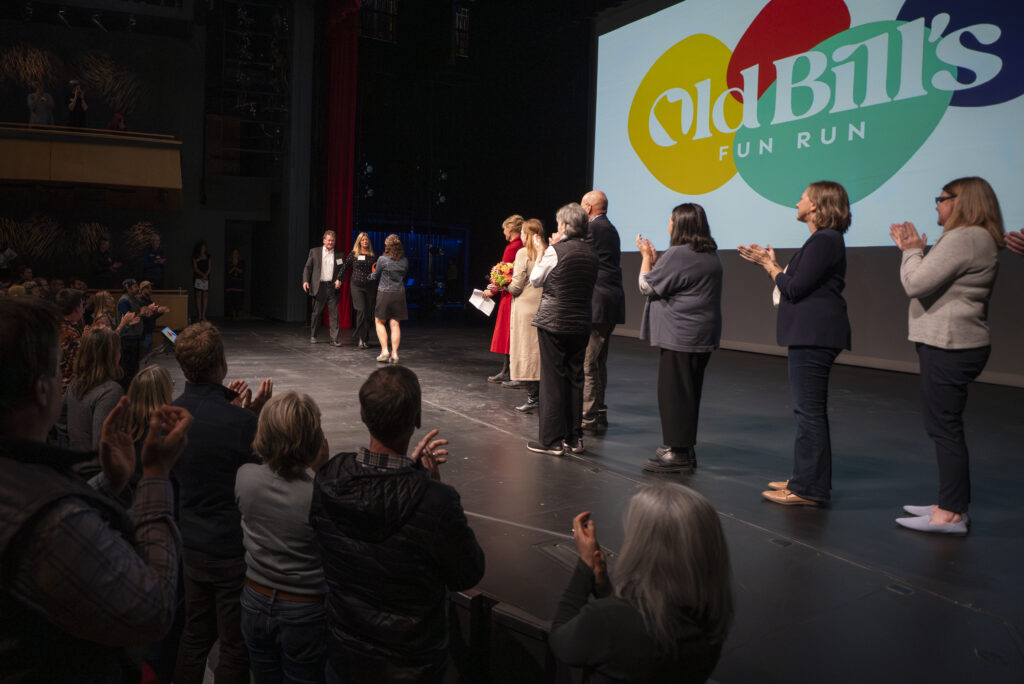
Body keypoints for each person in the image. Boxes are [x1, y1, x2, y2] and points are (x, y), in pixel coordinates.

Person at [0, 296, 192, 683]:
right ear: (41, 389)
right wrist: (154, 474)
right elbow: (153, 610)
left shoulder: (20, 476)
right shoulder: (54, 523)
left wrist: (109, 481)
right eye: (59, 371)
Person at [310, 365, 485, 682]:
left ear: (363, 415)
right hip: (411, 665)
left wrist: (411, 477)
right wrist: (422, 483)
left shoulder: (331, 478)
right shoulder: (436, 502)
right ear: (417, 419)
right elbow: (467, 574)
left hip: (344, 654)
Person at [889, 177, 1004, 535]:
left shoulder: (965, 237)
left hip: (950, 344)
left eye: (942, 198)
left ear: (962, 201)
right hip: (952, 343)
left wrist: (910, 251)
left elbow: (916, 284)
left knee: (944, 428)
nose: (937, 204)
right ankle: (948, 503)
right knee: (943, 426)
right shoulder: (975, 237)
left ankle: (952, 514)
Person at [738, 181, 852, 506]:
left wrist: (769, 265)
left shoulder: (824, 240)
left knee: (809, 412)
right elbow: (796, 283)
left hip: (814, 333)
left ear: (816, 205)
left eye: (802, 198)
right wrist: (774, 267)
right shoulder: (822, 241)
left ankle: (809, 488)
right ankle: (805, 479)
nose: (797, 201)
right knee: (807, 411)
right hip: (812, 332)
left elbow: (795, 288)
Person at [171, 321, 273, 684]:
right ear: (221, 363)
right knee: (234, 644)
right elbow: (261, 476)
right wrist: (253, 415)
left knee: (194, 635)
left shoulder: (171, 415)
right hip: (230, 549)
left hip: (191, 544)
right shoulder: (241, 421)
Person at [549, 483, 733, 682]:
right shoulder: (710, 621)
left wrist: (584, 567)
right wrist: (603, 585)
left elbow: (561, 642)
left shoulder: (605, 620)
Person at [236, 391, 330, 683]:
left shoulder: (245, 477)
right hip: (302, 608)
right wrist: (322, 469)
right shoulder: (318, 495)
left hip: (254, 599)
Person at [637, 203, 723, 474]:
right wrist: (659, 260)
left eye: (671, 221)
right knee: (688, 392)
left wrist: (646, 258)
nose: (668, 226)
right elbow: (679, 280)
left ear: (681, 225)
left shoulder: (678, 254)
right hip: (699, 333)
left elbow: (646, 286)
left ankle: (678, 453)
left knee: (674, 393)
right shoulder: (709, 253)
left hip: (680, 334)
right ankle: (683, 447)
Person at [526, 203, 599, 457]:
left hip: (554, 322)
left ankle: (551, 441)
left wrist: (543, 250)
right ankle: (574, 438)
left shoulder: (555, 251)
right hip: (580, 323)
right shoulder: (592, 253)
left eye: (559, 224)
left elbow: (535, 279)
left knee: (552, 379)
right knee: (575, 378)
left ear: (565, 226)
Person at [580, 191, 625, 435]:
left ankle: (587, 419)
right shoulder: (611, 228)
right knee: (598, 361)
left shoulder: (593, 229)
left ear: (588, 208)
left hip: (598, 302)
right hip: (610, 301)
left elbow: (576, 252)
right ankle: (599, 412)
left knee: (588, 362)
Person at [63, 328, 124, 466]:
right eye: (118, 350)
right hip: (94, 472)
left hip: (76, 465)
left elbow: (60, 418)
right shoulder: (110, 391)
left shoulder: (74, 384)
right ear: (110, 355)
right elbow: (102, 444)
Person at [506, 218, 546, 413]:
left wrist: (502, 284)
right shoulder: (547, 252)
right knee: (540, 353)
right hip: (544, 306)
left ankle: (533, 398)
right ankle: (541, 398)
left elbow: (515, 287)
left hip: (525, 308)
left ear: (527, 235)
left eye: (522, 233)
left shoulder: (523, 253)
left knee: (528, 353)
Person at [482, 215, 524, 383]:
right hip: (517, 293)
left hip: (509, 294)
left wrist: (492, 290)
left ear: (511, 229)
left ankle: (508, 371)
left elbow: (504, 274)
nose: (503, 232)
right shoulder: (523, 245)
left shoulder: (512, 247)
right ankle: (511, 370)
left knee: (508, 332)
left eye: (504, 229)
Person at [369, 234, 409, 363]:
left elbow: (375, 276)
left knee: (379, 321)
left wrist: (370, 275)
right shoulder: (404, 261)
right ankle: (395, 354)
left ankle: (385, 350)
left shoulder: (382, 259)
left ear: (387, 246)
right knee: (395, 323)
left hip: (385, 294)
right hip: (399, 294)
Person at [303, 230, 344, 346]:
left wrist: (340, 280)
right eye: (329, 240)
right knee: (316, 313)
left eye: (333, 240)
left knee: (334, 314)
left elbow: (343, 271)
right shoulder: (315, 252)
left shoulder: (339, 255)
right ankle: (313, 335)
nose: (331, 242)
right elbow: (308, 268)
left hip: (332, 288)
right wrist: (305, 280)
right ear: (324, 240)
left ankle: (334, 339)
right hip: (319, 287)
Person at [339, 232, 377, 349]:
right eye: (363, 240)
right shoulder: (354, 254)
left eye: (366, 240)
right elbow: (344, 267)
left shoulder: (373, 255)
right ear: (359, 241)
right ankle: (360, 338)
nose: (365, 242)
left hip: (369, 286)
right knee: (361, 310)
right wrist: (339, 279)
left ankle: (364, 339)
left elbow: (376, 271)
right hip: (356, 286)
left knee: (367, 313)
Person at [57, 288, 86, 393]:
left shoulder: (53, 325)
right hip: (65, 390)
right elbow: (76, 368)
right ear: (77, 308)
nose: (84, 309)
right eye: (83, 305)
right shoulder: (71, 334)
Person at [192, 241, 211, 323]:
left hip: (206, 278)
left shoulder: (208, 256)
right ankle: (199, 315)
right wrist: (202, 275)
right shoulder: (195, 257)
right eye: (202, 247)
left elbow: (210, 267)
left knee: (205, 296)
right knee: (198, 296)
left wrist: (205, 275)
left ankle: (204, 315)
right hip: (198, 278)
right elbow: (195, 268)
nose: (203, 249)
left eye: (204, 247)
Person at [226, 248, 246, 319]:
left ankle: (238, 314)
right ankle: (233, 314)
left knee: (238, 299)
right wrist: (235, 268)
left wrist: (235, 268)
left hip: (239, 284)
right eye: (234, 253)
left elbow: (241, 271)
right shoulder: (229, 262)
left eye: (236, 253)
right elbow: (228, 272)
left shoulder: (241, 262)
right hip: (231, 284)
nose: (235, 254)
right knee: (232, 299)